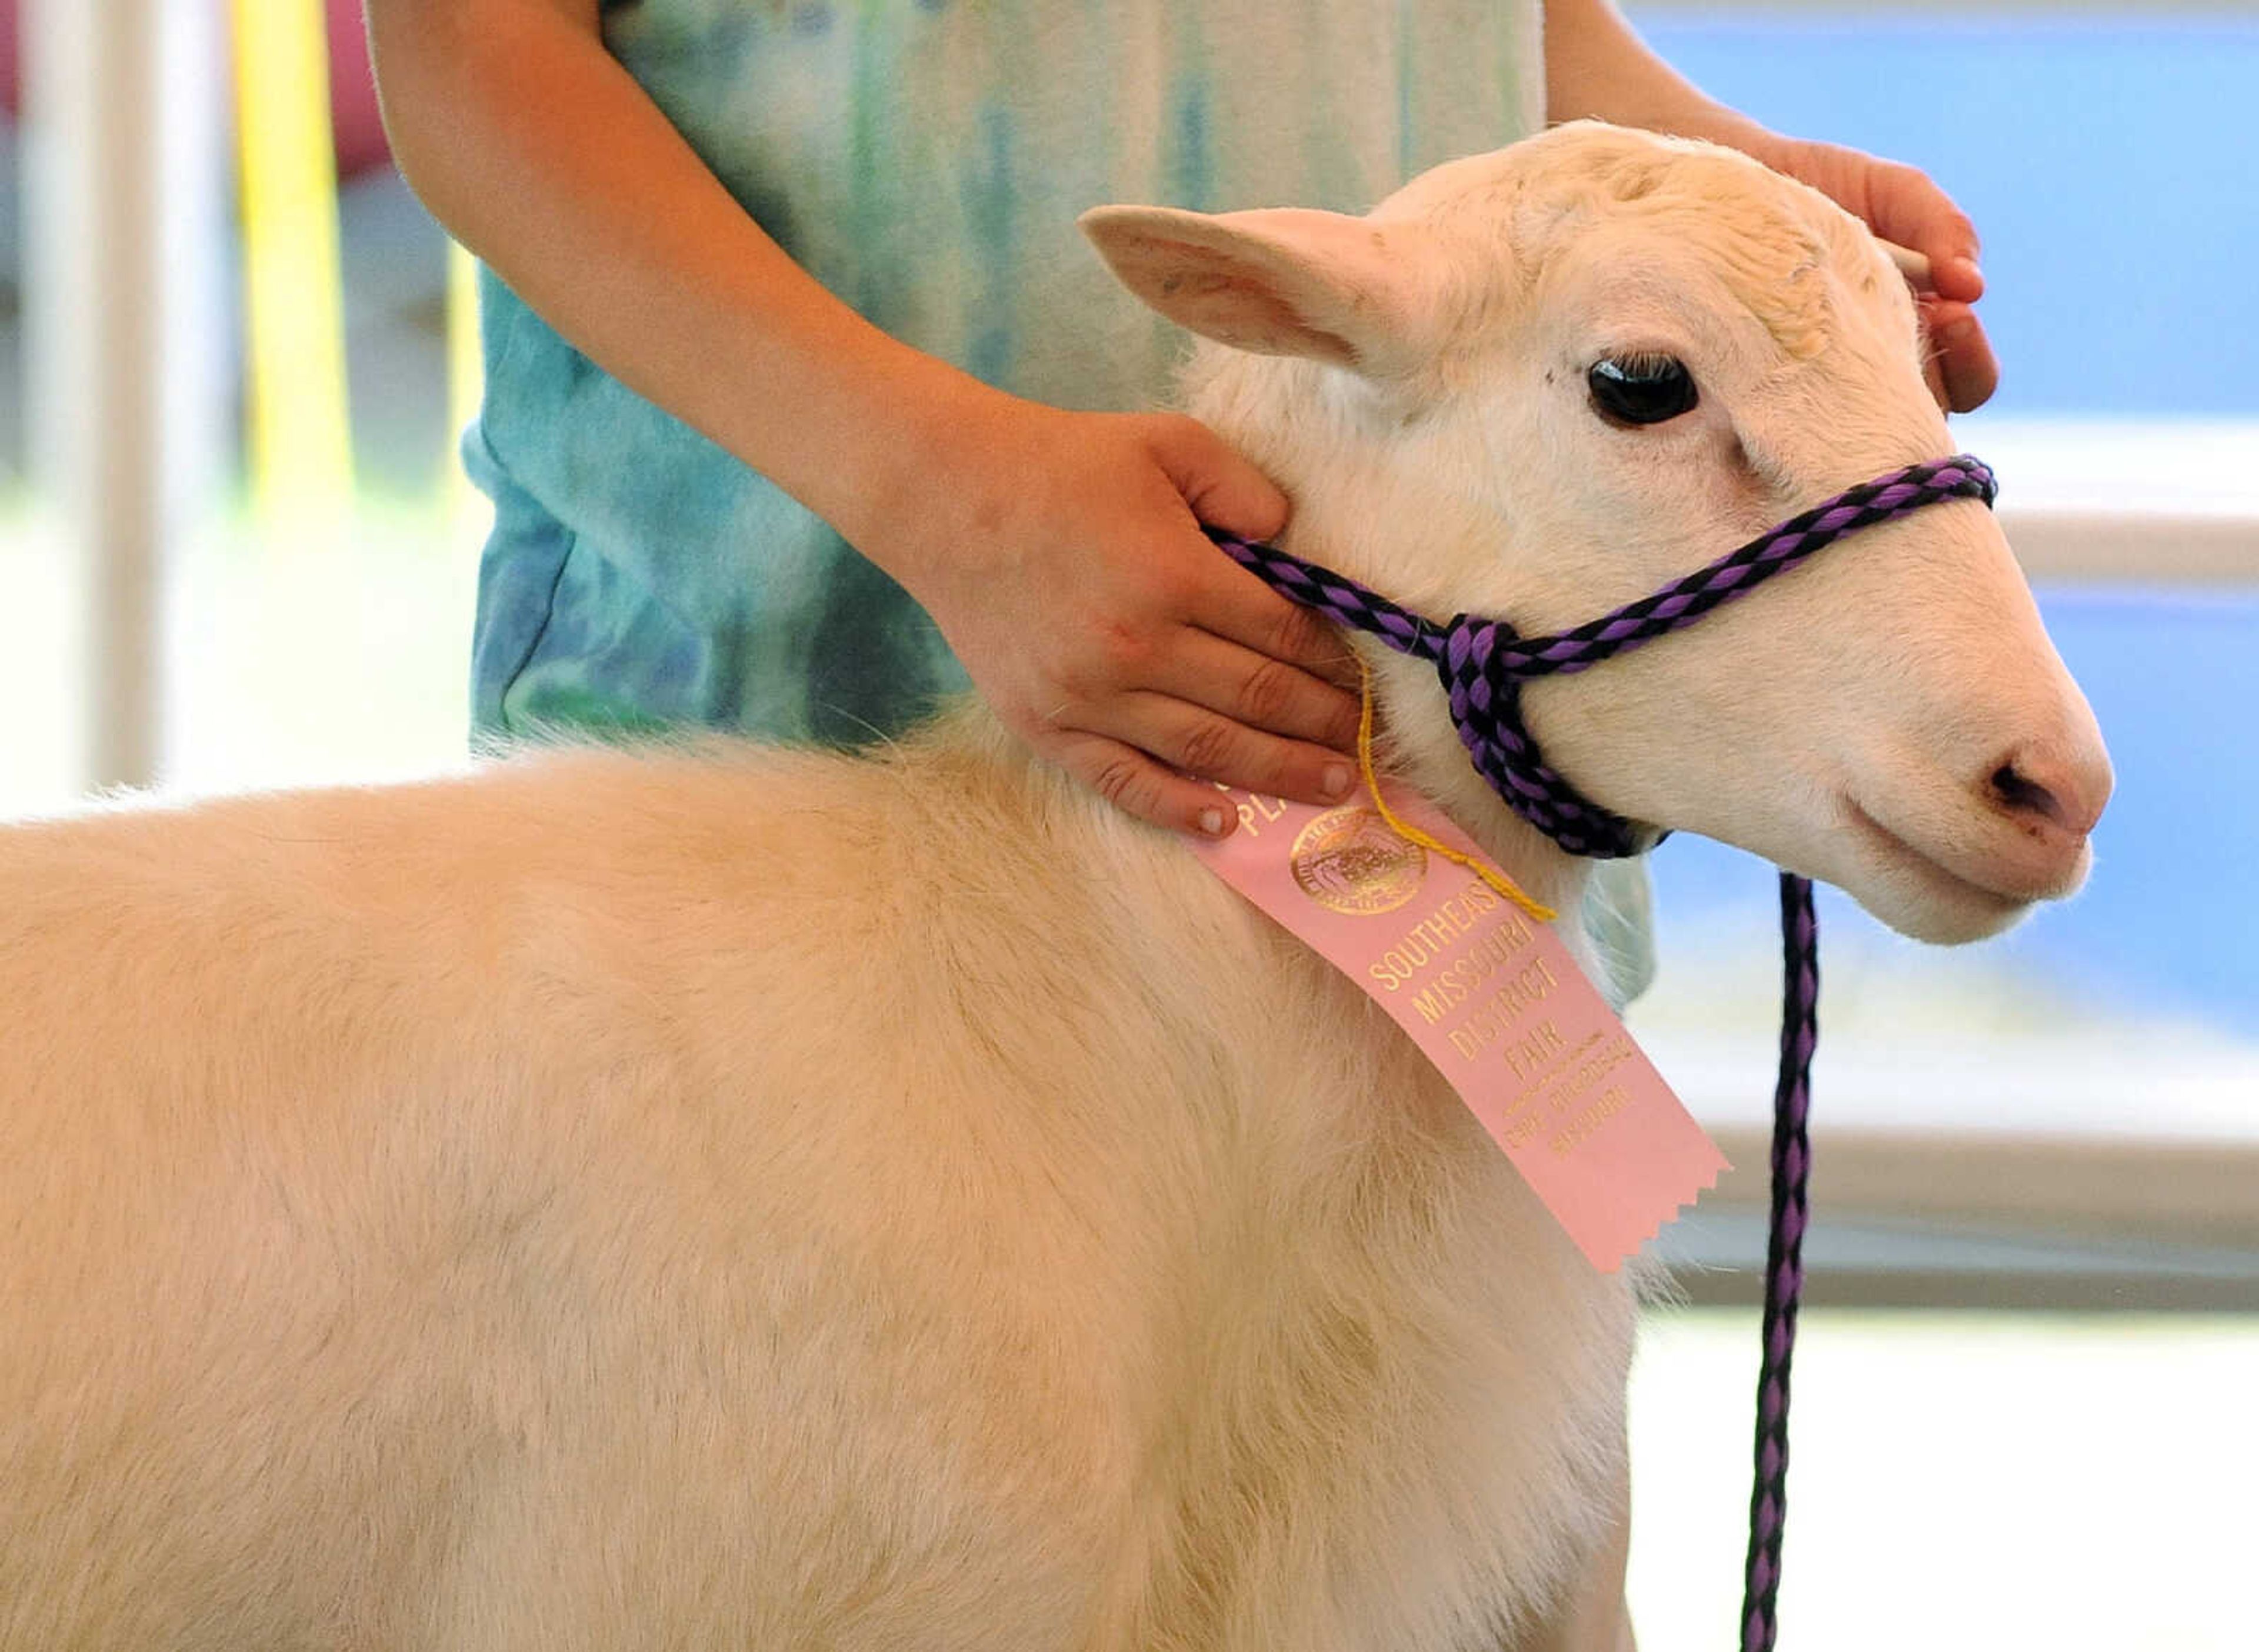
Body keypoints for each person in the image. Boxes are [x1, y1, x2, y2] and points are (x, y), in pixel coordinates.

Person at [365, 0, 1994, 982]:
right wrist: (945, 493)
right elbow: (470, 38)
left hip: (1449, 868)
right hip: (787, 803)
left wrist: (1699, 187)